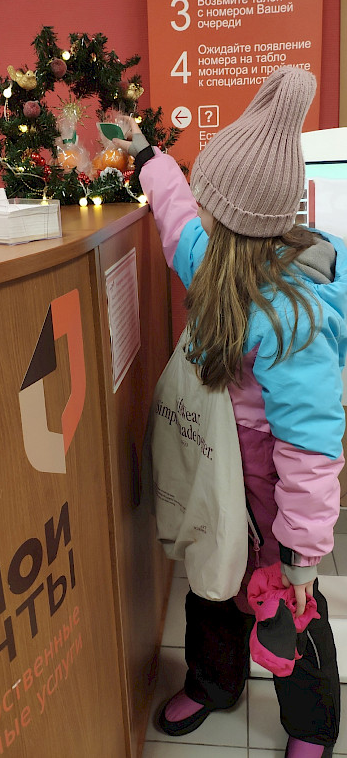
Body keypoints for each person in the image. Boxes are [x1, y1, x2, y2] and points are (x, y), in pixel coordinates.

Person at [115, 66, 347, 758]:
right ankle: (214, 684)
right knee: (211, 586)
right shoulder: (213, 259)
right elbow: (175, 214)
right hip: (221, 483)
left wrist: (302, 555)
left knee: (290, 611)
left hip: (276, 498)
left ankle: (311, 726)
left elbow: (311, 448)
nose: (201, 216)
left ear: (237, 222)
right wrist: (145, 155)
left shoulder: (292, 319)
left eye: (211, 205)